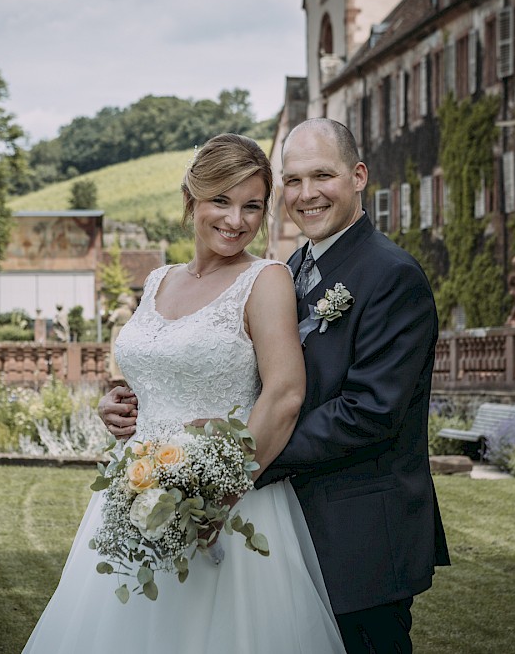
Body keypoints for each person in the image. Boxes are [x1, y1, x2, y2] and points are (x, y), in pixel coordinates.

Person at [101, 118, 450, 653]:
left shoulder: (391, 274)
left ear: (358, 177)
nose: (307, 194)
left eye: (322, 176)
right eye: (294, 180)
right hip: (282, 524)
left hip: (359, 535)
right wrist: (135, 405)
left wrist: (224, 457)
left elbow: (370, 412)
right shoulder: (287, 270)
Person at [23, 133, 346, 653]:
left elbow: (284, 395)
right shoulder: (157, 281)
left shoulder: (266, 280)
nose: (235, 220)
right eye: (221, 200)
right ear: (191, 198)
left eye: (252, 207)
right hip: (134, 492)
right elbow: (156, 369)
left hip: (227, 503)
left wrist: (215, 496)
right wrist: (118, 400)